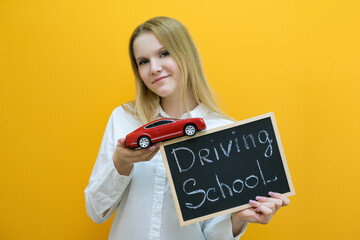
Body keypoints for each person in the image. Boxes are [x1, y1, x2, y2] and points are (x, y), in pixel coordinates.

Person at [84, 16, 290, 240]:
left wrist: (238, 219)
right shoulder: (124, 120)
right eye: (143, 61)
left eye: (164, 53)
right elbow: (96, 212)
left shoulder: (222, 131)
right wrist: (121, 162)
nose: (154, 68)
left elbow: (211, 234)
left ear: (186, 54)